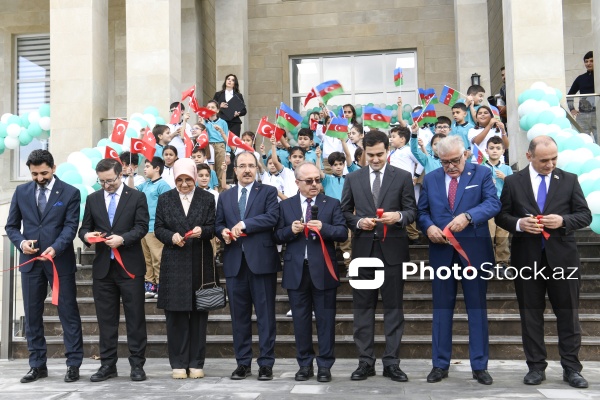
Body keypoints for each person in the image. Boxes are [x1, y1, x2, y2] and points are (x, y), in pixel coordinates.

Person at [495, 136, 592, 389]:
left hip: (563, 259)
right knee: (530, 315)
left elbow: (584, 215)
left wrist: (563, 221)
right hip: (527, 259)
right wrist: (518, 224)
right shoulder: (514, 182)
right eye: (544, 160)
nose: (550, 164)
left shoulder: (569, 179)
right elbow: (502, 215)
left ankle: (572, 368)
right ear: (529, 157)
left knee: (568, 315)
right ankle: (536, 367)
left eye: (554, 159)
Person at [416, 135, 500, 386]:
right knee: (442, 309)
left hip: (474, 252)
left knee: (477, 308)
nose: (450, 166)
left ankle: (480, 366)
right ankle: (440, 364)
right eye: (444, 162)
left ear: (465, 155)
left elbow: (493, 203)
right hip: (441, 252)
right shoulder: (430, 179)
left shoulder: (482, 173)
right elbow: (422, 212)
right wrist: (429, 227)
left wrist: (469, 216)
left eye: (454, 160)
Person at [340, 130, 417, 383]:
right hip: (363, 253)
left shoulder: (403, 177)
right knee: (363, 309)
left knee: (394, 309)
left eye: (380, 154)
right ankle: (365, 362)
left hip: (393, 251)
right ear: (364, 152)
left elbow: (411, 210)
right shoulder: (353, 178)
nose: (375, 159)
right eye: (370, 155)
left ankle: (392, 363)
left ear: (388, 150)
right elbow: (344, 213)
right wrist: (359, 221)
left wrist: (400, 217)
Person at [5, 150, 84, 383]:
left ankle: (73, 364)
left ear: (54, 167)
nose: (39, 178)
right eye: (34, 174)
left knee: (68, 313)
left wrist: (55, 248)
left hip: (59, 262)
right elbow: (11, 227)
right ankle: (37, 365)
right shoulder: (21, 192)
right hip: (30, 264)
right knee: (31, 316)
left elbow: (70, 228)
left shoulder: (70, 192)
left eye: (44, 173)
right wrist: (21, 243)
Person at [274, 162, 347, 382]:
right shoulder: (285, 206)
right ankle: (304, 364)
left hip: (323, 270)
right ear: (297, 183)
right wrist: (290, 230)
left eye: (317, 180)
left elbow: (343, 233)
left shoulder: (332, 204)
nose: (314, 184)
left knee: (326, 320)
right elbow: (276, 236)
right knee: (300, 321)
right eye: (309, 181)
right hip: (296, 272)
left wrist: (324, 228)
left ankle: (325, 365)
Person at [79, 158, 149, 382]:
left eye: (110, 181)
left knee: (135, 318)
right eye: (102, 182)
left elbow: (142, 226)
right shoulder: (93, 198)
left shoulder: (137, 196)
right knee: (106, 320)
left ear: (120, 174)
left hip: (130, 267)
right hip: (103, 269)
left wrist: (123, 239)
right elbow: (84, 228)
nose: (106, 185)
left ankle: (137, 365)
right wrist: (87, 237)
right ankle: (107, 365)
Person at [215, 151, 280, 380]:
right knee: (239, 317)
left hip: (261, 263)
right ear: (235, 169)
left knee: (265, 316)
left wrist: (245, 224)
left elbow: (272, 218)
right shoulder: (225, 196)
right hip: (234, 264)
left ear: (257, 168)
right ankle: (242, 363)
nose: (247, 170)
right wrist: (222, 231)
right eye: (242, 166)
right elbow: (218, 223)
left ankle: (266, 364)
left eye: (251, 165)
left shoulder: (269, 192)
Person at [154, 158, 216, 380]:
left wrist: (204, 231)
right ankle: (178, 363)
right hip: (174, 262)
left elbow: (213, 226)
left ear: (195, 177)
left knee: (199, 314)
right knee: (176, 315)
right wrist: (171, 237)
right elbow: (158, 227)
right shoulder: (165, 199)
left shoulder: (207, 198)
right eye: (179, 180)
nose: (184, 184)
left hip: (200, 261)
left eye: (188, 179)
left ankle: (196, 362)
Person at [135, 157, 171, 299]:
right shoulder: (145, 184)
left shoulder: (163, 185)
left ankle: (162, 285)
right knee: (147, 259)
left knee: (158, 258)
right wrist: (131, 175)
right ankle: (151, 286)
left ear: (157, 168)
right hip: (144, 227)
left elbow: (168, 207)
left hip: (155, 227)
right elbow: (132, 191)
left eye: (148, 166)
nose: (144, 169)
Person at [484, 136, 513, 268]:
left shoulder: (506, 168)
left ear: (503, 151)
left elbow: (514, 186)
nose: (494, 151)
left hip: (503, 206)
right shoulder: (481, 168)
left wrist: (505, 178)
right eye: (491, 148)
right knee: (488, 234)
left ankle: (502, 262)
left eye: (498, 148)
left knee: (503, 235)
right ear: (486, 150)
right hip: (487, 205)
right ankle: (488, 262)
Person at [567, 51, 596, 140]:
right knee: (583, 141)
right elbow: (569, 95)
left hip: (597, 115)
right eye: (586, 61)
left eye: (591, 61)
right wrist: (572, 109)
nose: (588, 63)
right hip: (582, 115)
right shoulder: (580, 78)